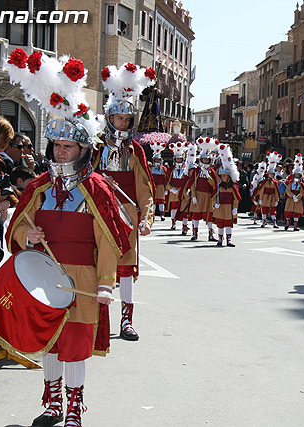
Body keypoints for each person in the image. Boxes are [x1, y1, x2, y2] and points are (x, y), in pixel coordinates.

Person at [4, 49, 131, 427]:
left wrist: (107, 282)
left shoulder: (97, 188)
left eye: (68, 146)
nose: (61, 151)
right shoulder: (39, 186)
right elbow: (17, 228)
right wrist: (28, 235)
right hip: (44, 274)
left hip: (84, 277)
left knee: (75, 344)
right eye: (57, 145)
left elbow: (109, 240)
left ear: (82, 150)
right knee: (49, 340)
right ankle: (53, 403)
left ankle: (74, 407)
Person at [94, 62, 156, 341]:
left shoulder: (135, 150)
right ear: (109, 117)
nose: (124, 123)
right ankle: (97, 318)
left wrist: (146, 217)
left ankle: (127, 320)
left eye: (127, 119)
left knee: (127, 267)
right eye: (119, 118)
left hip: (127, 213)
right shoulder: (95, 146)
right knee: (95, 263)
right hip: (99, 211)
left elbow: (144, 186)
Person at [189, 137, 219, 241]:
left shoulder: (211, 172)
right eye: (204, 159)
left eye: (207, 159)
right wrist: (193, 196)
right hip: (198, 195)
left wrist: (208, 177)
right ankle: (194, 233)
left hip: (208, 196)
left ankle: (211, 234)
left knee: (209, 215)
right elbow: (192, 184)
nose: (205, 161)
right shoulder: (197, 171)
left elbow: (215, 185)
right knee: (196, 215)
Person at [212, 144, 241, 246]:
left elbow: (236, 198)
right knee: (220, 223)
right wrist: (215, 204)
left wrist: (235, 208)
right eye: (222, 175)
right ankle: (220, 239)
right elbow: (213, 197)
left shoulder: (232, 187)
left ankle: (229, 240)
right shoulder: (219, 186)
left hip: (229, 207)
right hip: (220, 207)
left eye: (224, 175)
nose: (222, 177)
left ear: (228, 177)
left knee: (229, 223)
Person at [167, 142, 191, 233]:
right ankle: (173, 222)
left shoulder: (186, 168)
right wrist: (171, 189)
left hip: (183, 191)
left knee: (184, 208)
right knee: (174, 207)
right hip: (175, 191)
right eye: (177, 159)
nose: (179, 160)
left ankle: (184, 226)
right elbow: (167, 181)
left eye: (180, 159)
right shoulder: (171, 169)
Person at [256, 152, 281, 228]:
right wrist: (260, 199)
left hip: (272, 197)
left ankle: (274, 223)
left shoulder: (275, 182)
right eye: (270, 174)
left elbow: (276, 191)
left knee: (273, 210)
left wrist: (277, 200)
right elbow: (261, 190)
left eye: (273, 174)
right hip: (265, 197)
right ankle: (264, 222)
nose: (272, 175)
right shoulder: (264, 182)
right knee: (264, 209)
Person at [284, 154, 304, 231]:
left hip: (298, 200)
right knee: (288, 211)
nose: (297, 177)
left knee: (297, 212)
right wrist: (292, 196)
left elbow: (303, 192)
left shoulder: (302, 184)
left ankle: (295, 225)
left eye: (298, 176)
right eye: (296, 175)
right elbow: (287, 190)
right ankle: (288, 222)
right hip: (291, 199)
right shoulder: (290, 183)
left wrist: (298, 197)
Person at [149, 142, 169, 221]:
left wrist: (166, 189)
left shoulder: (163, 169)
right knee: (153, 201)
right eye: (156, 159)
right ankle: (152, 215)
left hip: (160, 186)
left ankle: (162, 214)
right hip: (153, 186)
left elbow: (166, 179)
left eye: (159, 159)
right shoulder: (151, 168)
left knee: (161, 201)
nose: (157, 160)